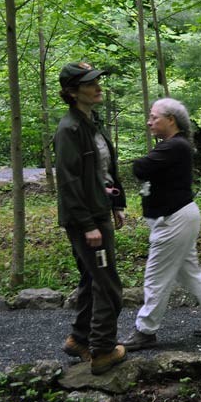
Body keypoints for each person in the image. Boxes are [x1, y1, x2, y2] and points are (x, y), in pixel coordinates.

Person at [121, 98, 201, 351]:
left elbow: (140, 167)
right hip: (176, 217)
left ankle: (145, 330)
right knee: (189, 271)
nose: (150, 121)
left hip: (174, 219)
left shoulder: (175, 146)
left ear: (171, 120)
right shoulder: (172, 146)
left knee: (156, 275)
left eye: (154, 117)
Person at [54, 61, 127, 374]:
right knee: (108, 285)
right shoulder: (69, 129)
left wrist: (117, 204)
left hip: (100, 211)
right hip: (87, 220)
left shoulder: (91, 121)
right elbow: (68, 182)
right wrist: (88, 225)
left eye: (98, 81)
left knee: (90, 278)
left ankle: (79, 339)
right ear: (72, 92)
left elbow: (105, 169)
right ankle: (103, 350)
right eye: (89, 83)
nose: (98, 87)